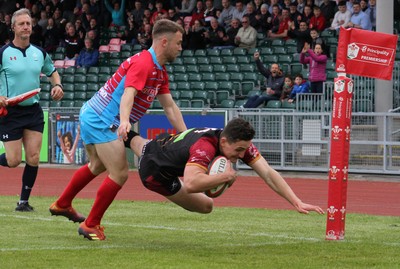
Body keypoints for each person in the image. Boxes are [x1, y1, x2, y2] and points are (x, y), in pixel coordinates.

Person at [49, 19, 187, 241]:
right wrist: (124, 121)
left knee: (96, 165)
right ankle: (90, 224)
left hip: (94, 114)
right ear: (164, 42)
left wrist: (186, 136)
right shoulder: (145, 64)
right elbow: (128, 94)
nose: (181, 48)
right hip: (102, 119)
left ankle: (63, 203)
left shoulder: (159, 71)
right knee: (120, 172)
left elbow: (170, 106)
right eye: (178, 43)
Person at [127, 117, 325, 217]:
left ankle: (118, 132)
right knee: (206, 206)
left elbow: (268, 173)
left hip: (163, 146)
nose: (241, 155)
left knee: (138, 143)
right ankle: (111, 135)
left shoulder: (240, 144)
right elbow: (191, 183)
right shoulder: (205, 146)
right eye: (238, 150)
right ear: (223, 142)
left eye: (244, 150)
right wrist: (224, 177)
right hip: (156, 172)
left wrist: (296, 202)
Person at [0, 8, 64, 212]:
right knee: (13, 160)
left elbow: (53, 72)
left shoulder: (40, 53)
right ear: (13, 28)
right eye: (22, 24)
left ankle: (23, 202)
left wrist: (58, 86)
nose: (26, 27)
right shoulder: (3, 53)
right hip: (11, 112)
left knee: (34, 157)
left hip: (33, 111)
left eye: (28, 23)